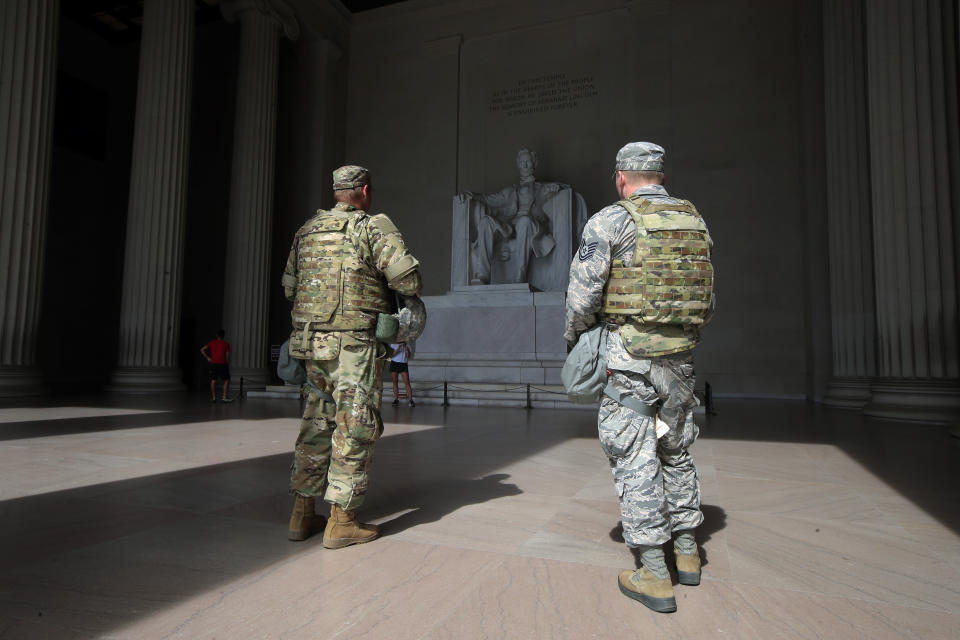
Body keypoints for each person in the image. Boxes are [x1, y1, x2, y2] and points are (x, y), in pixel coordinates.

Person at [564, 142, 715, 614]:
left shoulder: (612, 220)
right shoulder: (694, 220)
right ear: (661, 175)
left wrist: (577, 340)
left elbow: (581, 295)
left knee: (634, 456)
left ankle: (653, 572)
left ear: (621, 178)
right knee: (674, 447)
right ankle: (687, 553)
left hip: (629, 363)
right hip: (681, 362)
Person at [281, 165, 425, 547]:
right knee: (354, 425)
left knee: (316, 423)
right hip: (354, 347)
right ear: (363, 190)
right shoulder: (372, 227)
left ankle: (302, 514)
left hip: (313, 345)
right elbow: (407, 280)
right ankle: (341, 520)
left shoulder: (306, 231)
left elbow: (290, 287)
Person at [464, 149, 562, 284]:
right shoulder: (509, 191)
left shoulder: (542, 187)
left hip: (530, 225)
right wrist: (474, 196)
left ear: (534, 163)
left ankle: (519, 276)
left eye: (528, 161)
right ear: (518, 165)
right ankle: (483, 275)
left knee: (524, 221)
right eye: (522, 162)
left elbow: (562, 189)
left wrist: (554, 188)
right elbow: (490, 199)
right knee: (486, 221)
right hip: (509, 226)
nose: (525, 165)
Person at [200, 329, 232, 403]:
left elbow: (202, 350)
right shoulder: (226, 344)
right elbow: (227, 356)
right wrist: (227, 364)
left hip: (214, 364)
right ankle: (224, 397)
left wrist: (208, 358)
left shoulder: (212, 343)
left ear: (216, 335)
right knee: (226, 380)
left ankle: (214, 398)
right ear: (224, 336)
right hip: (223, 363)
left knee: (213, 380)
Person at [389, 343, 415, 407]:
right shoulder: (393, 344)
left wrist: (407, 349)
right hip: (394, 363)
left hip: (403, 364)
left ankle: (411, 400)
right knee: (395, 382)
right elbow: (392, 355)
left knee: (407, 382)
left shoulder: (408, 345)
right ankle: (396, 399)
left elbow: (408, 356)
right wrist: (398, 347)